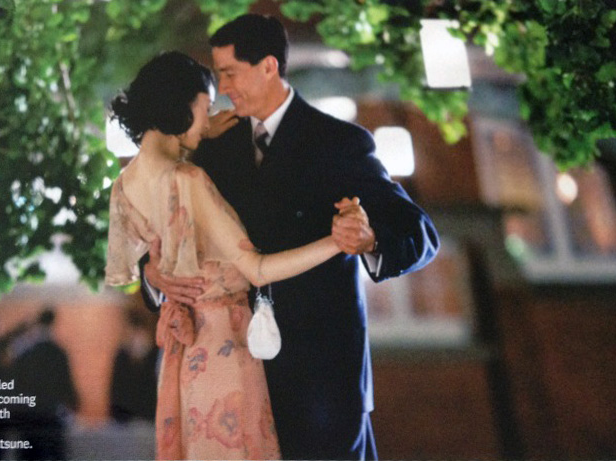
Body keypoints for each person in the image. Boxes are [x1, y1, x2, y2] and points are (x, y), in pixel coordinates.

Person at [141, 14, 440, 461]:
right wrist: (152, 275)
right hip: (234, 380)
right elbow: (161, 236)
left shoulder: (339, 142)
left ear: (268, 66)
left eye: (230, 73)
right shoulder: (208, 148)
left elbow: (420, 233)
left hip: (322, 387)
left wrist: (370, 239)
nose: (224, 88)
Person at [105, 51, 355, 460]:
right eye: (205, 108)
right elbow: (257, 269)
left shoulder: (124, 185)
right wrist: (336, 242)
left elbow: (149, 259)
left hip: (182, 357)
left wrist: (199, 134)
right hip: (224, 347)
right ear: (180, 106)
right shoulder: (188, 179)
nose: (208, 120)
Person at [11, 308, 79, 461]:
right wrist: (74, 403)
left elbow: (16, 385)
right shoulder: (58, 352)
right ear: (52, 323)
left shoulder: (26, 353)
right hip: (51, 416)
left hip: (29, 417)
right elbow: (66, 383)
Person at [109, 309, 158, 424]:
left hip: (147, 415)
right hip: (125, 417)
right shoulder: (122, 354)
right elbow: (116, 388)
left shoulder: (153, 353)